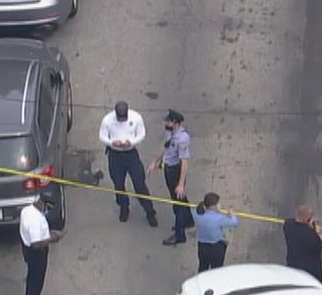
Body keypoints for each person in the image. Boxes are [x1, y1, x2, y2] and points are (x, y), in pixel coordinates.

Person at [98, 100, 157, 226]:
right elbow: (102, 136)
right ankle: (124, 207)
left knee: (139, 184)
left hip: (130, 154)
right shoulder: (108, 120)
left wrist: (131, 142)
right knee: (118, 184)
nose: (122, 120)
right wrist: (111, 143)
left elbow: (141, 134)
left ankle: (150, 211)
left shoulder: (136, 118)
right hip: (115, 155)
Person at [148, 109, 191, 246]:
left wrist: (181, 183)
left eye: (168, 121)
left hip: (175, 171)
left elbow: (184, 162)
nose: (166, 122)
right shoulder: (169, 132)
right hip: (167, 168)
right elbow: (165, 147)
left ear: (176, 123)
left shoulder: (182, 139)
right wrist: (155, 162)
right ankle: (188, 220)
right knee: (181, 198)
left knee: (177, 203)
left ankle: (180, 235)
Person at [19, 195, 62, 295]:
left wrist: (48, 232)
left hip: (29, 249)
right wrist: (52, 239)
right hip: (36, 253)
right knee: (35, 281)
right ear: (42, 203)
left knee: (37, 278)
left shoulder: (28, 210)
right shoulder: (34, 221)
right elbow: (36, 244)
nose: (47, 211)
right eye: (47, 208)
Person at [193, 192, 238, 272]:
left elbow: (197, 209)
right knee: (216, 270)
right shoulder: (219, 218)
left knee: (203, 267)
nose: (219, 205)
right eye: (218, 203)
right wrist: (231, 214)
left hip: (202, 247)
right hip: (216, 248)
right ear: (213, 206)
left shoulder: (197, 214)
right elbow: (234, 222)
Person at [283, 204, 322, 282]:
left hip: (293, 268)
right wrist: (317, 231)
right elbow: (321, 244)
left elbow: (292, 220)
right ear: (306, 219)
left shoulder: (288, 226)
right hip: (309, 273)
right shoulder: (309, 234)